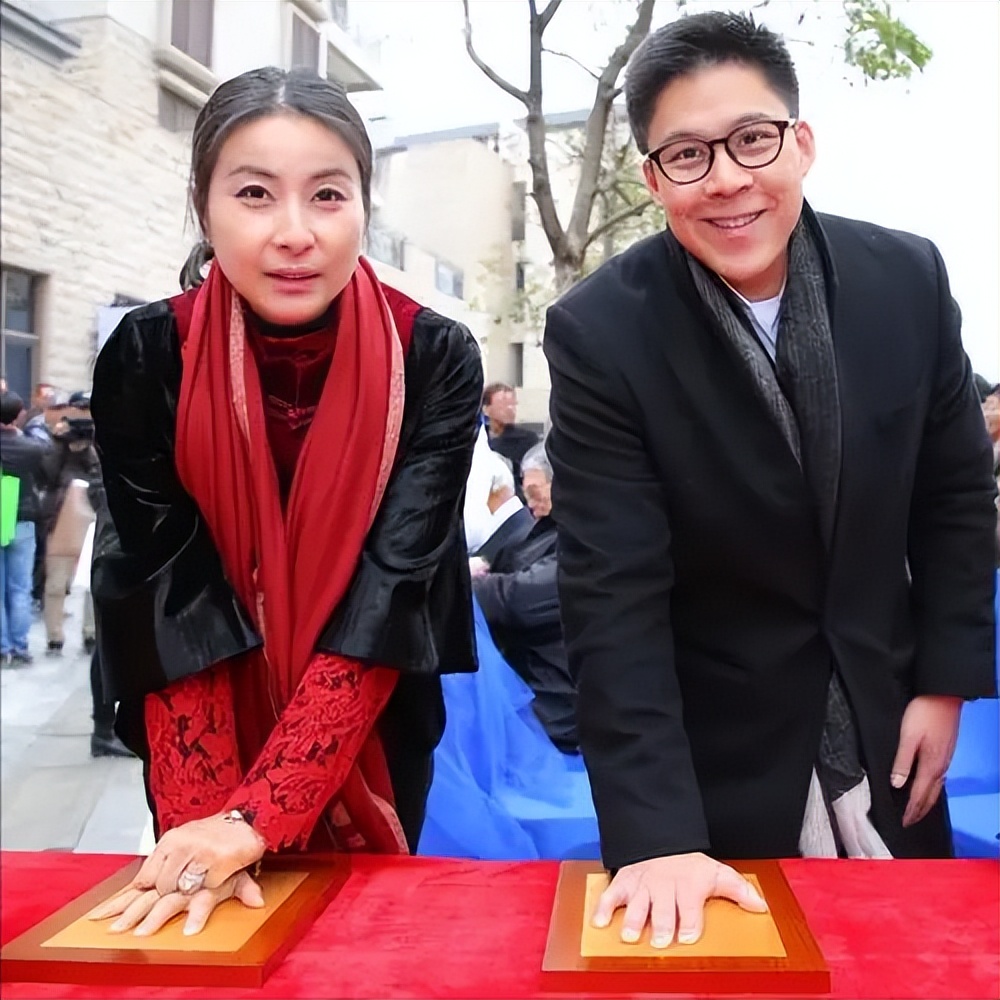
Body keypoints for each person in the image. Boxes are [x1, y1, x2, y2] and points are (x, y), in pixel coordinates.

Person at [543, 11, 997, 949]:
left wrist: (945, 681)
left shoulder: (905, 278)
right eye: (687, 156)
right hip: (713, 757)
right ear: (650, 177)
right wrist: (657, 837)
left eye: (752, 139)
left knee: (910, 959)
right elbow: (611, 591)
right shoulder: (601, 333)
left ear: (802, 142)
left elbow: (953, 496)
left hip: (889, 719)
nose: (729, 181)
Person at [86, 67, 482, 938]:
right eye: (256, 195)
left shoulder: (435, 357)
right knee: (206, 936)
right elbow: (166, 583)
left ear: (363, 206)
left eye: (327, 195)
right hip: (200, 724)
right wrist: (204, 821)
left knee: (360, 947)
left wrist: (261, 814)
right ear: (203, 204)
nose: (294, 233)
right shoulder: (150, 352)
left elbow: (396, 581)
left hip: (369, 720)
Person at [473, 444, 578, 753]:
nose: (529, 502)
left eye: (535, 492)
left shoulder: (580, 539)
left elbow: (518, 599)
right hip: (534, 682)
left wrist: (464, 585)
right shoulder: (546, 528)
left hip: (554, 703)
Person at [38, 390, 100, 656]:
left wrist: (89, 444)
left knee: (91, 581)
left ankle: (91, 633)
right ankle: (55, 637)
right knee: (55, 581)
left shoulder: (102, 439)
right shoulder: (58, 442)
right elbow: (48, 474)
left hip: (91, 516)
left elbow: (102, 476)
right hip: (60, 514)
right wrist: (60, 442)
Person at [0, 390, 50, 667]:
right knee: (20, 588)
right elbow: (46, 469)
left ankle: (2, 646)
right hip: (23, 519)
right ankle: (20, 647)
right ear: (19, 415)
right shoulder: (32, 448)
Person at [482, 382, 538, 497]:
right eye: (503, 404)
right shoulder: (477, 439)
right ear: (486, 409)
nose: (510, 409)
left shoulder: (527, 440)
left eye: (512, 405)